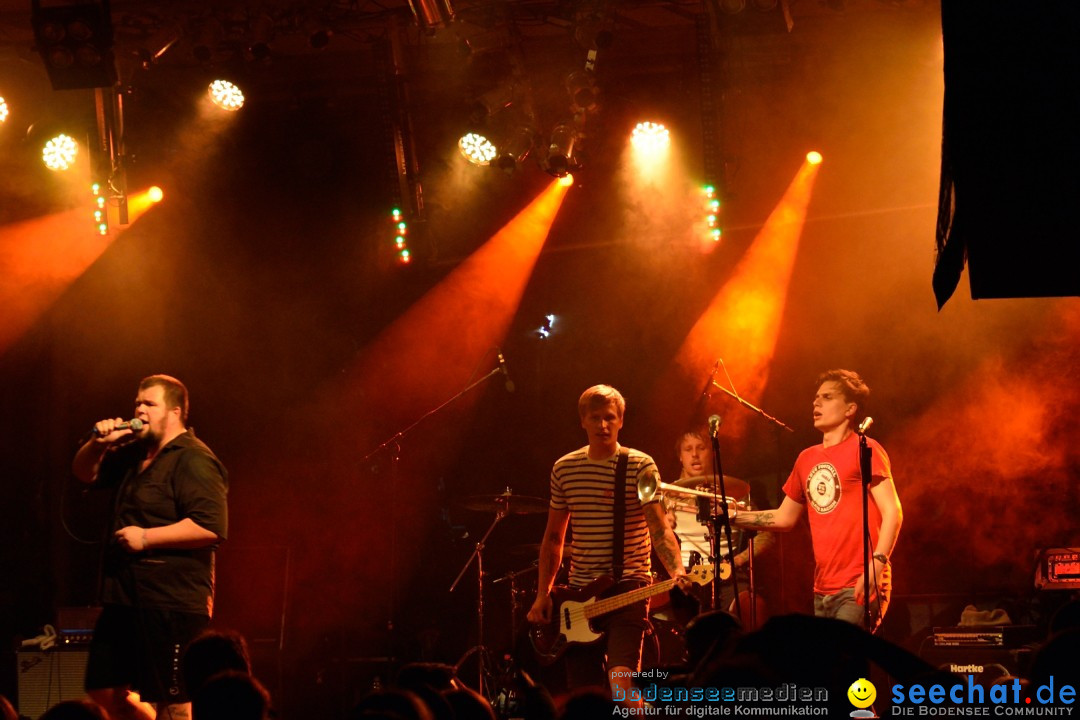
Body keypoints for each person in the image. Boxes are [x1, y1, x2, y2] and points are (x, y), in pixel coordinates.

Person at [72, 374, 229, 720]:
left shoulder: (194, 459)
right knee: (102, 690)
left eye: (149, 404)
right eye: (137, 404)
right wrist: (100, 444)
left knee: (172, 702)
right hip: (123, 599)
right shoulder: (133, 455)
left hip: (170, 603)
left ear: (174, 412)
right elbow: (84, 473)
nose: (139, 410)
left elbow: (209, 526)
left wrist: (145, 537)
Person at [525, 384, 689, 702]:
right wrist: (542, 594)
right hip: (578, 599)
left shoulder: (641, 465)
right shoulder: (564, 468)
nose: (603, 425)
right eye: (596, 418)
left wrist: (677, 570)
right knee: (584, 697)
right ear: (582, 421)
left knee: (622, 689)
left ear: (621, 421)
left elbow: (658, 527)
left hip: (629, 588)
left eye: (610, 418)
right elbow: (554, 537)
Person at [732, 369, 902, 631]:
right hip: (822, 591)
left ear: (850, 409)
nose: (816, 403)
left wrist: (877, 564)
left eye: (827, 397)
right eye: (815, 397)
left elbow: (893, 512)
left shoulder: (866, 449)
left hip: (861, 580)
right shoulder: (806, 459)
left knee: (839, 659)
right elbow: (784, 517)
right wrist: (732, 516)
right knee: (829, 669)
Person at [665, 429, 774, 625]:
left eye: (701, 448)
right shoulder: (668, 496)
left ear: (712, 453)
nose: (695, 454)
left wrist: (735, 561)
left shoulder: (732, 492)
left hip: (728, 573)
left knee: (751, 608)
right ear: (680, 457)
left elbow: (766, 536)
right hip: (685, 577)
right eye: (688, 449)